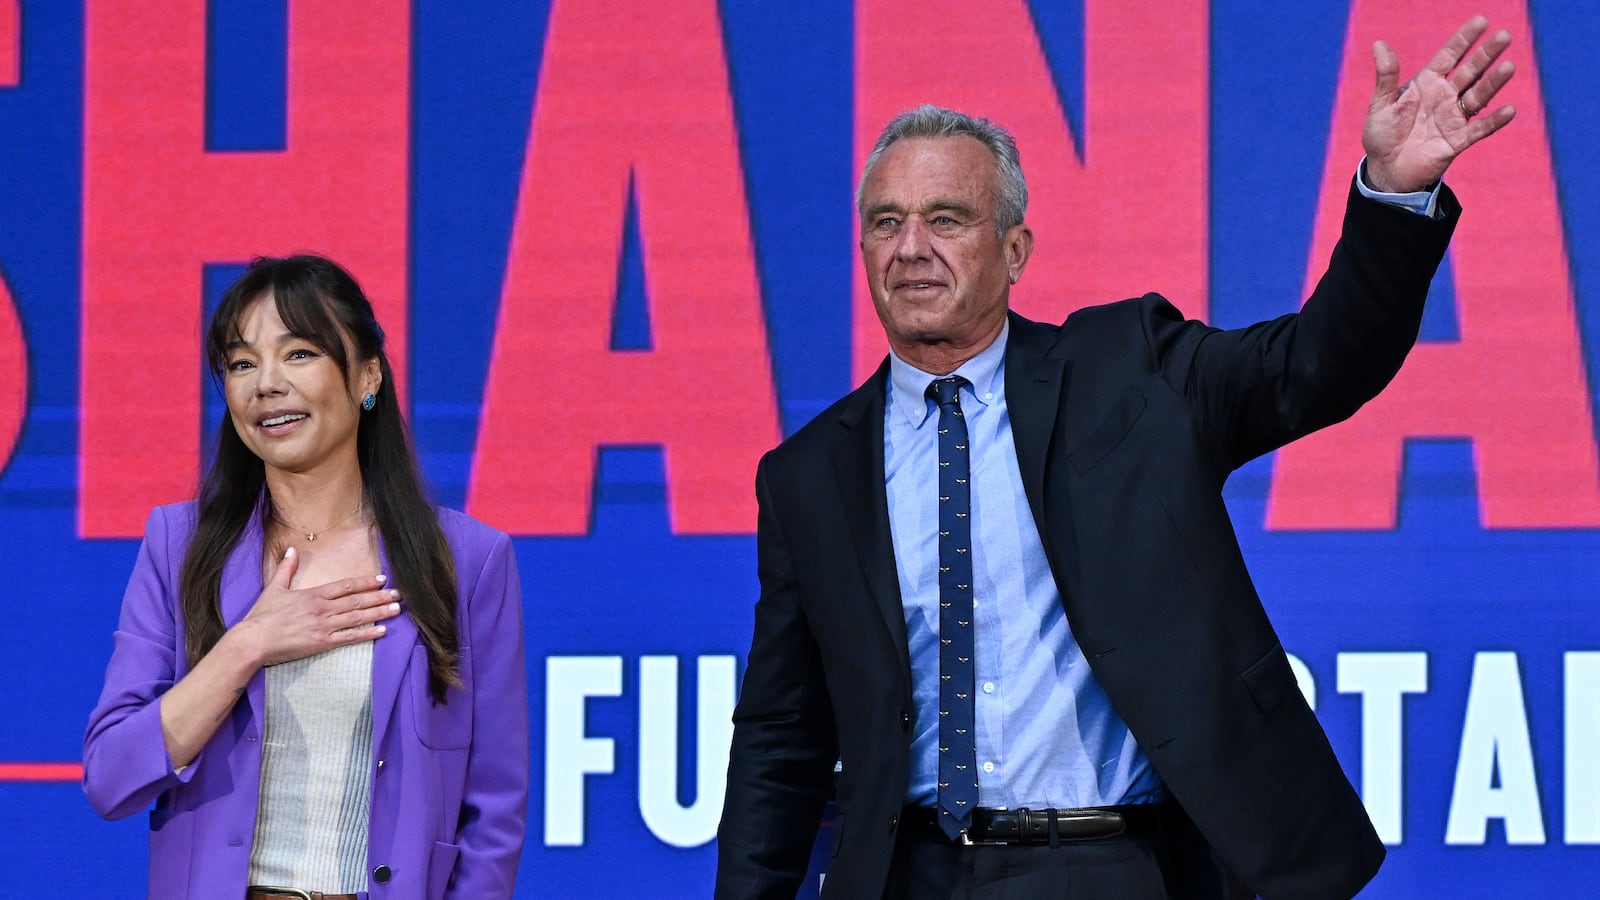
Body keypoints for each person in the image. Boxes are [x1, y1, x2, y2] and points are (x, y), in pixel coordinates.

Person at [716, 16, 1516, 900]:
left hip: (1117, 865)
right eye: (886, 222)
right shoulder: (808, 477)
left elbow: (1319, 364)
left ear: (1014, 251)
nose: (912, 248)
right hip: (912, 877)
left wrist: (1393, 198)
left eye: (946, 219)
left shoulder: (1130, 371)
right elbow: (781, 736)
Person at [83, 255, 529, 899]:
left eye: (299, 354)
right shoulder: (180, 545)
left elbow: (494, 811)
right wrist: (246, 645)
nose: (266, 384)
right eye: (242, 363)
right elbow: (111, 777)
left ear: (367, 375)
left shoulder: (466, 558)